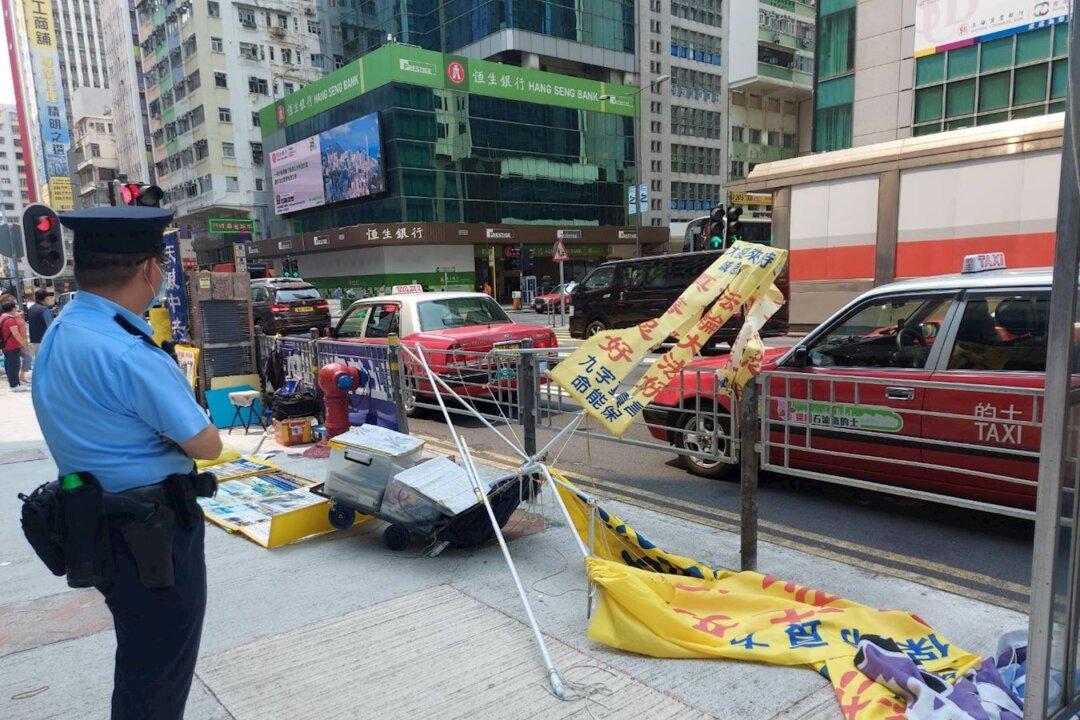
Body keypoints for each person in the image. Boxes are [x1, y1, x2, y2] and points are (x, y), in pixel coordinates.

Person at [31, 206, 223, 720]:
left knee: (141, 663)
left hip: (94, 524)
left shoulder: (63, 331)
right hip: (152, 534)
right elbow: (207, 444)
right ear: (149, 270)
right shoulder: (127, 351)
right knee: (159, 674)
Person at [25, 288, 54, 376]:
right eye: (48, 298)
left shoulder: (31, 309)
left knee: (39, 360)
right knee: (48, 361)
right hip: (45, 339)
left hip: (35, 339)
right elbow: (50, 326)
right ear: (45, 298)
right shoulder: (44, 309)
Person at [1, 299, 27, 391]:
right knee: (14, 366)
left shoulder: (3, 317)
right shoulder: (10, 320)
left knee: (9, 365)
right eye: (15, 307)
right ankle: (15, 385)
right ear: (13, 308)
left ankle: (14, 384)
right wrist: (23, 343)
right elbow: (16, 333)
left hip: (5, 346)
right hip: (12, 346)